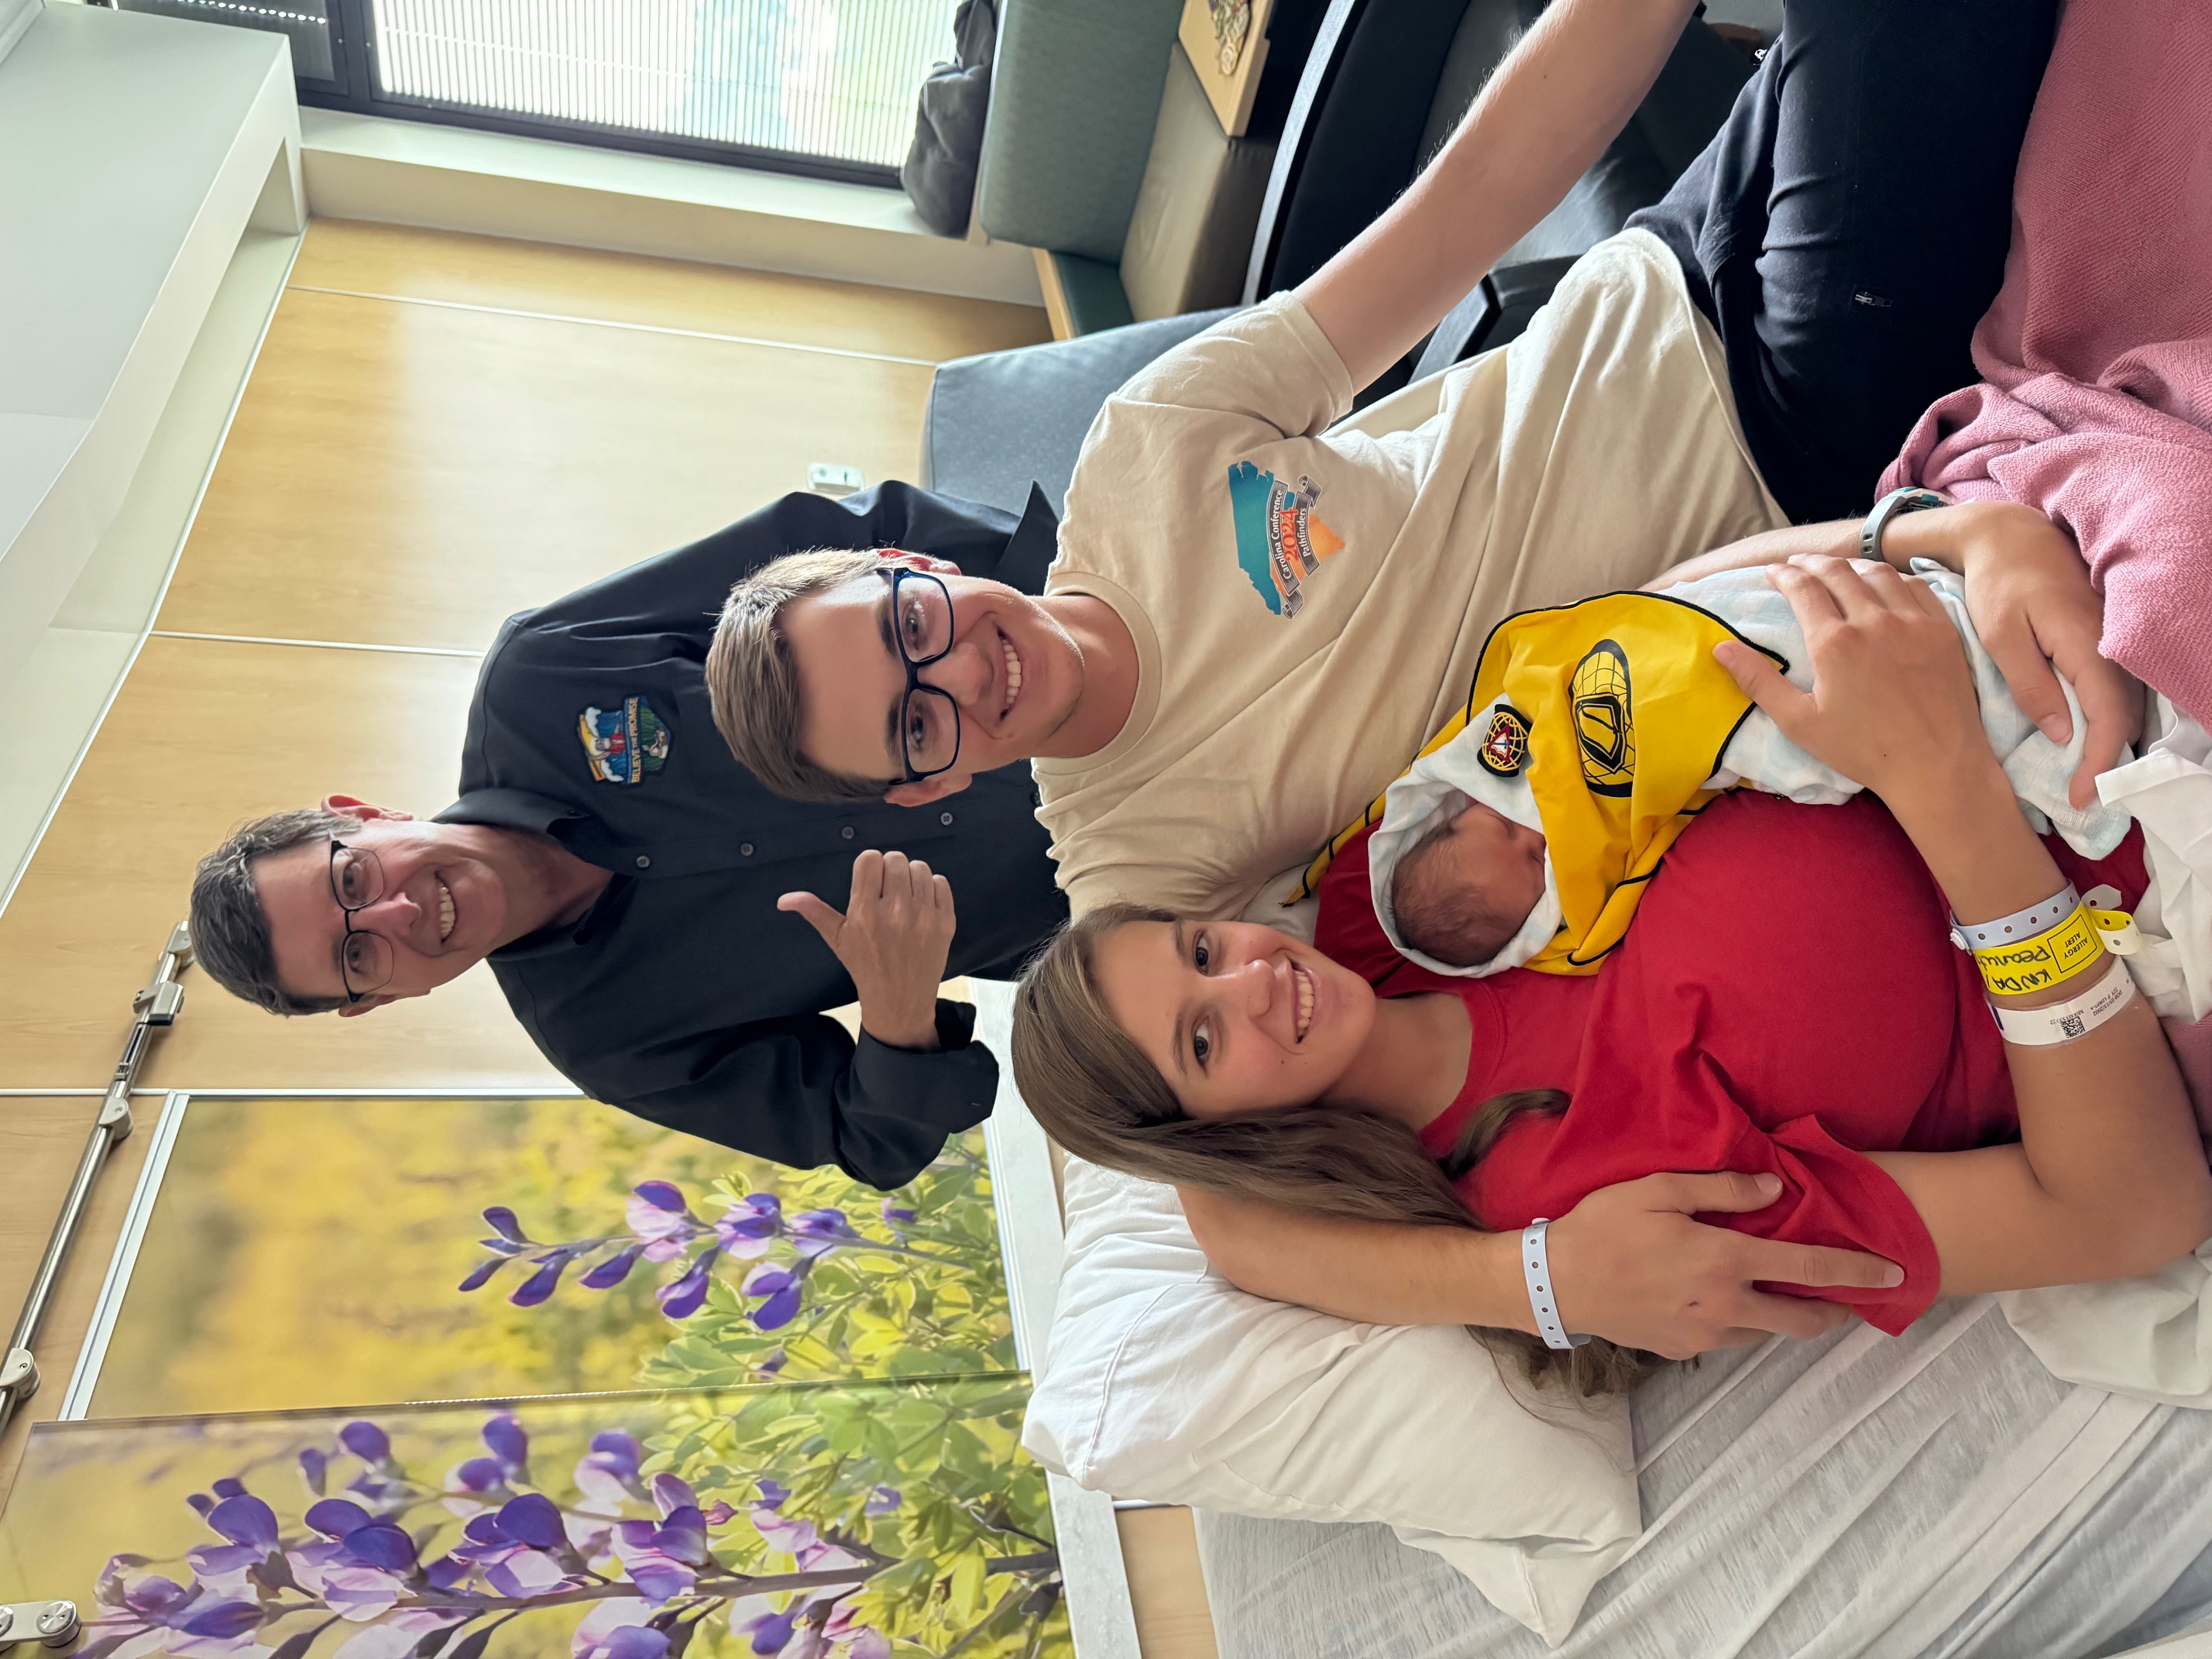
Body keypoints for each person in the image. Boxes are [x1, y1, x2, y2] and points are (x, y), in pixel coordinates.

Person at [1010, 555, 2210, 1384]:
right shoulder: (1587, 1208)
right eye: (1203, 1041)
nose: (1255, 982)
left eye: (1204, 951)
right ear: (1214, 1138)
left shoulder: (1377, 896)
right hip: (2152, 916)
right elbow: (2125, 1209)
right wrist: (1943, 790)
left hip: (2066, 672)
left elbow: (1647, 636)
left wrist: (1952, 532)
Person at [185, 484, 1069, 1188]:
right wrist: (898, 1012)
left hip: (1083, 687)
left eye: (352, 881)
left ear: (363, 814)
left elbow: (844, 546)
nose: (398, 912)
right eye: (358, 956)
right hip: (1115, 884)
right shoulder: (610, 1043)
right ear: (377, 1002)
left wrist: (1062, 610)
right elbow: (866, 1140)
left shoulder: (546, 669)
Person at [1368, 500, 2132, 976]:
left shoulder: (1551, 681)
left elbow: (1674, 602)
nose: (1534, 826)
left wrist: (1967, 529)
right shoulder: (1638, 841)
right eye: (1539, 860)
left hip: (1931, 565)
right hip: (1920, 697)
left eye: (1500, 823)